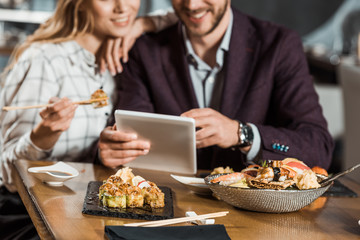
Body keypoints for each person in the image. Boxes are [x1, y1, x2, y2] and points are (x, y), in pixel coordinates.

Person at [0, 0, 174, 238]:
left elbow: (186, 12)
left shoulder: (128, 58)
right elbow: (8, 174)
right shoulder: (44, 60)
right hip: (28, 213)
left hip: (91, 213)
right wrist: (43, 136)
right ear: (80, 4)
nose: (123, 7)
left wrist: (141, 24)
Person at [98, 0, 334, 172]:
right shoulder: (144, 51)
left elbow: (318, 147)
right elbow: (129, 135)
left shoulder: (279, 45)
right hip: (170, 210)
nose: (192, 4)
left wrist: (242, 133)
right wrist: (113, 149)